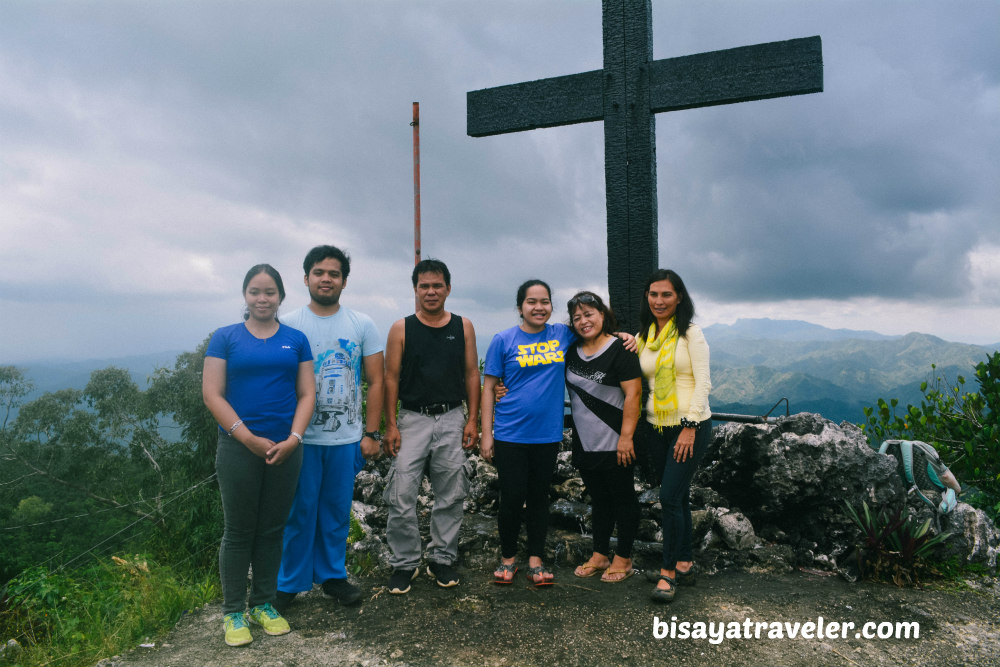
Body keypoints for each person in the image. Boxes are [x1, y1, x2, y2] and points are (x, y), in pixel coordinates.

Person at [202, 264, 315, 647]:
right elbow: (212, 394)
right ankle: (234, 611)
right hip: (238, 447)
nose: (262, 299)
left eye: (269, 292)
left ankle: (263, 604)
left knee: (271, 529)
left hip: (285, 448)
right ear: (244, 295)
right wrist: (247, 437)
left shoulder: (296, 339)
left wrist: (295, 438)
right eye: (255, 291)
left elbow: (306, 394)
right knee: (238, 531)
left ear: (281, 296)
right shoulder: (225, 338)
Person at [276, 246, 384, 609]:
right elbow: (279, 381)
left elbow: (376, 381)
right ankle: (289, 582)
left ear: (344, 281)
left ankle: (333, 576)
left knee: (337, 511)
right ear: (305, 278)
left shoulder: (361, 324)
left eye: (334, 274)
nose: (326, 279)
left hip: (346, 439)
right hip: (301, 438)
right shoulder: (288, 324)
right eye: (319, 272)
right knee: (298, 511)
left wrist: (371, 434)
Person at [382, 259, 481, 593]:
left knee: (451, 493)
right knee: (401, 494)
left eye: (437, 285)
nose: (431, 291)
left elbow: (472, 373)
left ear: (448, 288)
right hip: (412, 418)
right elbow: (390, 378)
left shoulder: (463, 326)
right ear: (415, 290)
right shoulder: (401, 328)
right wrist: (391, 424)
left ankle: (441, 557)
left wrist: (473, 420)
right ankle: (404, 562)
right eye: (424, 286)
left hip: (453, 416)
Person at [479, 279, 570, 586]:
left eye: (544, 302)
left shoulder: (562, 335)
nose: (538, 307)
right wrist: (486, 434)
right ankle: (507, 559)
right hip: (510, 433)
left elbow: (595, 328)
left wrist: (624, 336)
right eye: (531, 302)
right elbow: (490, 387)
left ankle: (535, 559)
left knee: (539, 497)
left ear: (551, 307)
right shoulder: (503, 340)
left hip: (547, 435)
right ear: (520, 307)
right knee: (512, 497)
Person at [636, 269, 712, 603]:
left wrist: (689, 427)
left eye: (666, 294)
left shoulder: (691, 334)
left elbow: (703, 383)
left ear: (679, 297)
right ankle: (684, 563)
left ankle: (668, 574)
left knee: (668, 498)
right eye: (653, 294)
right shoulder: (645, 336)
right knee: (677, 497)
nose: (659, 301)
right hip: (655, 426)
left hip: (688, 428)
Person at [564, 291, 642, 583]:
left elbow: (633, 395)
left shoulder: (621, 349)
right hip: (586, 441)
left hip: (616, 440)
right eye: (577, 317)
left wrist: (627, 437)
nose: (584, 321)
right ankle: (599, 554)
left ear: (602, 314)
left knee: (623, 498)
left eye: (589, 314)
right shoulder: (571, 351)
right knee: (599, 499)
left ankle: (624, 557)